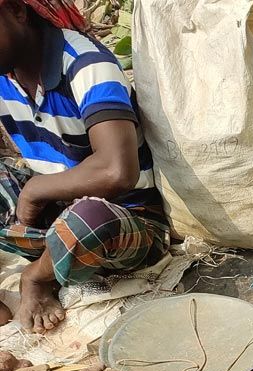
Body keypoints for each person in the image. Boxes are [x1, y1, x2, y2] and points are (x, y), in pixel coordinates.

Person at [0, 0, 168, 332]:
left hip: (122, 220)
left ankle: (38, 274)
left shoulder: (85, 64)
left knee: (87, 222)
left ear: (18, 12)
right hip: (53, 214)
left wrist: (34, 191)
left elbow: (116, 170)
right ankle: (51, 254)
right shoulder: (6, 74)